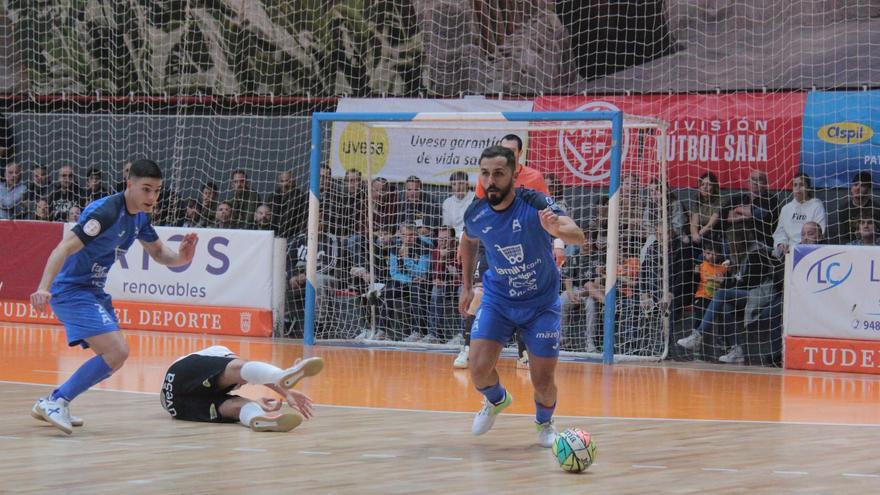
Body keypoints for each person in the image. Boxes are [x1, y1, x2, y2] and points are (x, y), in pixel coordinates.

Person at [29, 159, 199, 435]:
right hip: (72, 290)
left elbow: (158, 253)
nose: (152, 197)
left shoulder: (141, 217)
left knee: (115, 358)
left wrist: (182, 257)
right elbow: (63, 247)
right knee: (117, 351)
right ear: (129, 184)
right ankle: (55, 401)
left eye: (157, 191)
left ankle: (53, 401)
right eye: (146, 189)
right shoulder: (105, 211)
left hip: (94, 292)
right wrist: (43, 287)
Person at [459, 145, 584, 447]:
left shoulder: (535, 202)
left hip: (540, 305)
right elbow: (468, 241)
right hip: (499, 302)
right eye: (485, 173)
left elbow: (576, 234)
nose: (491, 180)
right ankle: (496, 399)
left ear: (514, 175)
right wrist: (465, 286)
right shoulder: (476, 212)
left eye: (498, 173)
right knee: (477, 369)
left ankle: (544, 423)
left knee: (542, 382)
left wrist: (556, 228)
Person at [455, 134, 559, 370]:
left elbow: (550, 213)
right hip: (493, 244)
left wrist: (558, 244)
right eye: (503, 149)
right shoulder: (490, 176)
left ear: (519, 154)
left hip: (526, 246)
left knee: (525, 295)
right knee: (479, 294)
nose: (506, 153)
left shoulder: (534, 178)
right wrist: (465, 241)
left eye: (511, 150)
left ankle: (524, 353)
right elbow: (479, 213)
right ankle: (467, 348)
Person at [160, 346, 322, 432]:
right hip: (176, 376)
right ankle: (281, 374)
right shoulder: (220, 351)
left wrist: (256, 402)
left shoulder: (215, 382)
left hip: (175, 407)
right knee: (241, 367)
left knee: (239, 406)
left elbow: (249, 374)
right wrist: (284, 391)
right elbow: (243, 368)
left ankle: (256, 417)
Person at [772, 172, 826, 257]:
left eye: (801, 185)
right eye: (795, 185)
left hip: (809, 251)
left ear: (808, 188)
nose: (798, 188)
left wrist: (799, 247)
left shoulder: (816, 206)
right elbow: (780, 232)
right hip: (788, 252)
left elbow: (820, 231)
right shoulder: (786, 208)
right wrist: (781, 244)